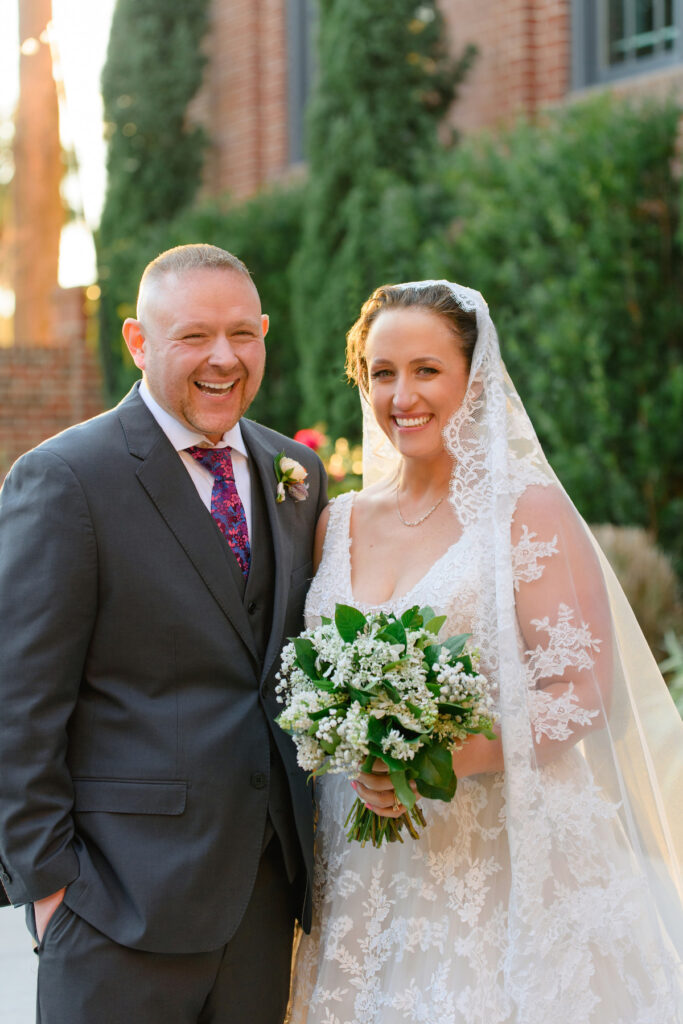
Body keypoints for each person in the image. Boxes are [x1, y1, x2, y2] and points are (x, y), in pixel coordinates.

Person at [288, 280, 683, 1024]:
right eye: (382, 372)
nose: (402, 395)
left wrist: (460, 753)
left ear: (474, 378)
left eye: (426, 370)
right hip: (368, 872)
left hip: (501, 866)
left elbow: (583, 686)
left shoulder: (523, 511)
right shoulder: (335, 521)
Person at [0, 244, 327, 1024]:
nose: (224, 358)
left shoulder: (296, 475)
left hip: (262, 898)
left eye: (242, 334)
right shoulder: (67, 479)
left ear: (265, 334)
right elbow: (18, 706)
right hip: (117, 907)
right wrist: (51, 890)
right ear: (137, 343)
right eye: (193, 336)